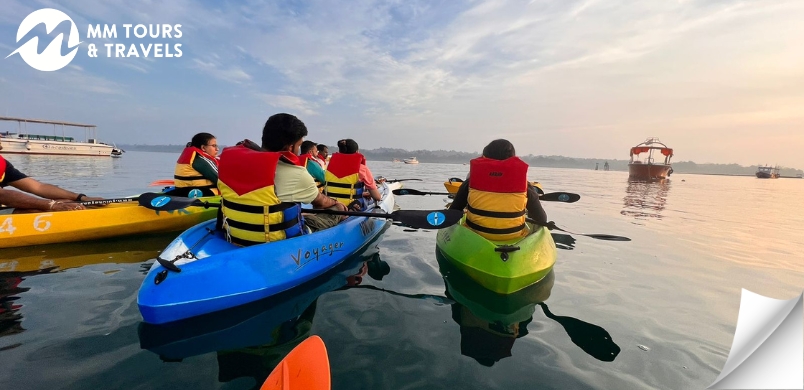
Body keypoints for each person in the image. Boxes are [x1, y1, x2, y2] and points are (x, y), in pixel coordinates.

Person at [216, 113, 347, 246]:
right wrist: (337, 203)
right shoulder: (296, 173)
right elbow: (321, 203)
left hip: (235, 236)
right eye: (299, 145)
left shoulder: (230, 163)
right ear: (290, 147)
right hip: (278, 243)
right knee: (337, 209)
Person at [449, 139, 547, 241]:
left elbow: (453, 211)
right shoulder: (525, 186)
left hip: (475, 237)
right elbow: (542, 219)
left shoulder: (470, 182)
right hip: (513, 238)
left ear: (485, 157)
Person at [0, 145, 103, 213]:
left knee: (67, 202)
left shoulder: (3, 164)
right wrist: (52, 205)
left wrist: (81, 198)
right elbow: (2, 195)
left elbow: (39, 187)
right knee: (33, 210)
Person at [323, 139, 382, 211]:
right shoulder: (362, 168)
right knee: (370, 200)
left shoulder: (329, 166)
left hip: (330, 205)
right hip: (351, 207)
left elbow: (340, 188)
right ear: (357, 152)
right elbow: (377, 197)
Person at [172, 132, 219, 197]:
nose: (217, 149)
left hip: (182, 192)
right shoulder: (200, 160)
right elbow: (220, 180)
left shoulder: (191, 157)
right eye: (214, 146)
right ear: (203, 148)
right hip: (203, 195)